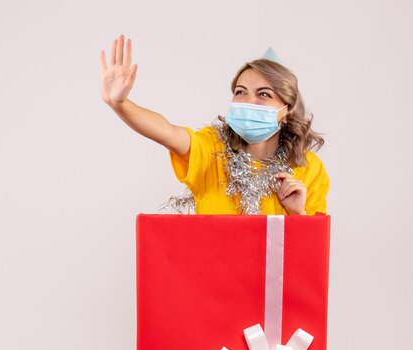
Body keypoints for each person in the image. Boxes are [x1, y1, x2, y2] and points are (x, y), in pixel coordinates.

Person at [99, 34, 330, 215]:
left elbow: (308, 257)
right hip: (213, 275)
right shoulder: (212, 150)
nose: (249, 101)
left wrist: (296, 212)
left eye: (264, 94)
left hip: (271, 278)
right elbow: (167, 132)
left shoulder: (309, 169)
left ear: (287, 112)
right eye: (240, 92)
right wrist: (120, 104)